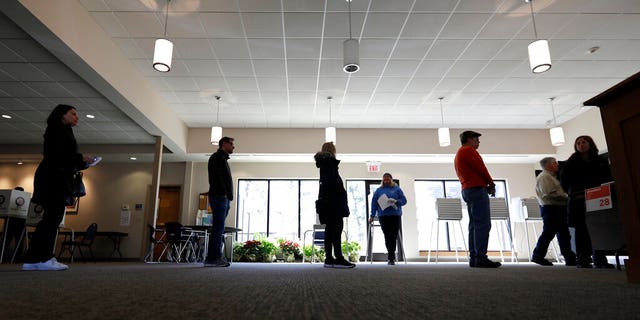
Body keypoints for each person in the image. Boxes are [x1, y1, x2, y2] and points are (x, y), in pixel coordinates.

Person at [22, 104, 96, 271]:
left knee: (50, 219)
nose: (77, 117)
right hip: (52, 179)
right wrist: (81, 157)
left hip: (54, 178)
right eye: (73, 114)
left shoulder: (63, 131)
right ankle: (43, 258)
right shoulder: (56, 130)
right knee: (52, 219)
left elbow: (64, 159)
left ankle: (34, 258)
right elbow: (58, 156)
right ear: (62, 115)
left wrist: (81, 162)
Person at [560, 135, 614, 269]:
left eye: (583, 142)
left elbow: (607, 176)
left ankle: (600, 258)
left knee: (599, 227)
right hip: (578, 199)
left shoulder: (599, 160)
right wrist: (573, 191)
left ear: (590, 143)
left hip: (597, 196)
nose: (581, 145)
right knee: (581, 229)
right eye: (578, 143)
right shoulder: (571, 162)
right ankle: (583, 258)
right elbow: (564, 181)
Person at [454, 131, 501, 268]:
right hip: (476, 189)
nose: (478, 142)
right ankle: (481, 257)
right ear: (469, 139)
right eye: (476, 139)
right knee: (483, 224)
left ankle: (474, 257)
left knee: (474, 224)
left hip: (467, 189)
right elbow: (482, 169)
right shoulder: (469, 150)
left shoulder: (459, 153)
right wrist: (491, 184)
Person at [314, 142, 355, 269]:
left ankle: (329, 259)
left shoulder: (324, 163)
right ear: (332, 150)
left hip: (327, 203)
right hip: (333, 203)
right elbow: (332, 184)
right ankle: (339, 258)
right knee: (336, 230)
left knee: (329, 231)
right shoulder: (330, 162)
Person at [531, 157, 577, 266]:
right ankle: (538, 256)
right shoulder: (545, 177)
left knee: (564, 234)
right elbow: (549, 193)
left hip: (557, 208)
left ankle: (569, 258)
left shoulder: (552, 177)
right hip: (551, 208)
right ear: (548, 165)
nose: (557, 164)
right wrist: (568, 197)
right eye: (555, 163)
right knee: (549, 233)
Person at [205, 136, 235, 267]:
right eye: (231, 144)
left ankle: (214, 257)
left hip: (222, 197)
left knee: (219, 228)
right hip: (219, 196)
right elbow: (217, 178)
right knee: (218, 228)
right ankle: (213, 258)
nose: (233, 146)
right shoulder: (217, 157)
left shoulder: (222, 158)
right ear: (224, 144)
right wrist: (223, 194)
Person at [369, 173, 407, 265]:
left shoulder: (397, 189)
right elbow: (374, 203)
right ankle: (391, 256)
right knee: (387, 235)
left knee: (393, 236)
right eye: (384, 180)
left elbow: (404, 201)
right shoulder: (378, 190)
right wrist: (372, 216)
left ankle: (391, 258)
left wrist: (396, 201)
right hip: (383, 216)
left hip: (395, 215)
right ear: (382, 180)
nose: (386, 181)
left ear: (391, 180)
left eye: (388, 179)